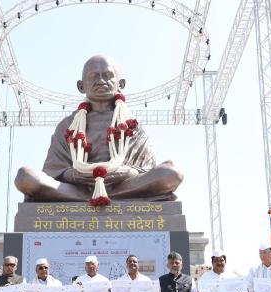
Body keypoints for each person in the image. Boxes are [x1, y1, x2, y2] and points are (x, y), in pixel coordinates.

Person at [15, 55, 183, 202]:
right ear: (81, 86)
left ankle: (96, 198)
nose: (101, 81)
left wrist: (129, 173)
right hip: (76, 188)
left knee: (171, 173)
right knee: (25, 176)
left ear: (121, 84)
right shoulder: (68, 125)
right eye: (93, 76)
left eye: (108, 75)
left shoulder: (131, 124)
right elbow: (53, 170)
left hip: (125, 185)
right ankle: (94, 197)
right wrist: (73, 174)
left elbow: (146, 168)